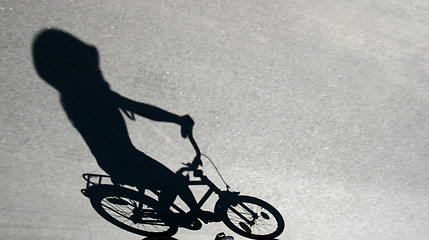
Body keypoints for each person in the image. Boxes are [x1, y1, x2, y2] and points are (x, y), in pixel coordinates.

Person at [32, 29, 210, 224]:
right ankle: (165, 213)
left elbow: (135, 108)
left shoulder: (81, 93)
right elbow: (139, 109)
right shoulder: (87, 95)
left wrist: (177, 119)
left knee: (177, 183)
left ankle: (193, 211)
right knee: (174, 182)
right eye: (91, 65)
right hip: (124, 163)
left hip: (126, 159)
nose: (98, 69)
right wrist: (177, 119)